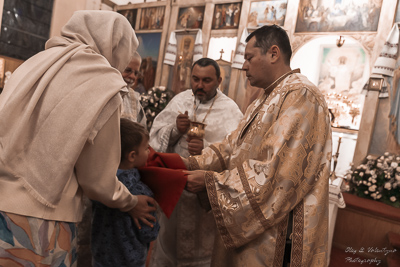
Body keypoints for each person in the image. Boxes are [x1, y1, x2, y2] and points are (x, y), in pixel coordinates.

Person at [0, 11, 156, 266]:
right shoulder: (103, 82)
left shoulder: (36, 63)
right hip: (42, 217)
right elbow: (96, 180)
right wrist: (129, 202)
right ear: (117, 44)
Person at [185, 25, 332, 267]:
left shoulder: (301, 95)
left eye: (248, 57)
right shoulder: (264, 98)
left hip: (279, 234)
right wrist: (189, 163)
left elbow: (280, 174)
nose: (243, 66)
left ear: (273, 54)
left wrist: (211, 182)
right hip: (256, 226)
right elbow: (233, 146)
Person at [149, 58, 243, 267]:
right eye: (195, 79)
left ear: (219, 80)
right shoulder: (180, 101)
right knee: (168, 249)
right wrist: (175, 130)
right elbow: (153, 139)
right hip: (175, 196)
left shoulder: (231, 111)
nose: (199, 85)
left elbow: (238, 155)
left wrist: (206, 150)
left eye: (207, 80)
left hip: (204, 201)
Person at [91, 118, 160, 267]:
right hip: (131, 261)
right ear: (132, 156)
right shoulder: (141, 191)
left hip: (101, 258)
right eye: (146, 148)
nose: (149, 152)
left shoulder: (98, 185)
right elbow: (149, 233)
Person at [121, 51, 147, 127]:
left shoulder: (133, 98)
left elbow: (141, 129)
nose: (132, 76)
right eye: (128, 70)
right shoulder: (103, 92)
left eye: (136, 73)